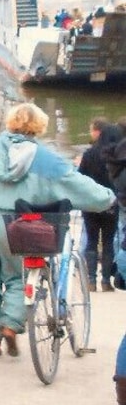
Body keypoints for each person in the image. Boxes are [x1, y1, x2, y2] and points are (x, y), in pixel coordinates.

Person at [0, 102, 114, 358]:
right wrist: (108, 198)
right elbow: (76, 185)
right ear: (40, 126)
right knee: (18, 276)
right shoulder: (46, 159)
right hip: (15, 223)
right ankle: (10, 325)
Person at [79, 119, 123, 292]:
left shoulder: (89, 153)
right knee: (108, 241)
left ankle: (91, 280)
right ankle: (106, 281)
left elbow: (80, 177)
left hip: (90, 202)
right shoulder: (118, 155)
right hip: (111, 203)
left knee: (91, 240)